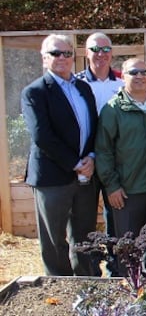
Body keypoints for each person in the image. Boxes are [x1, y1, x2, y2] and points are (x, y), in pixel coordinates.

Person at [21, 34, 98, 276]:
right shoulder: (35, 92)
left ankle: (87, 284)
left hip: (85, 175)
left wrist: (91, 157)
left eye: (67, 53)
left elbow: (93, 126)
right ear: (44, 58)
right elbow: (42, 136)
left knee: (85, 237)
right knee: (54, 239)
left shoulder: (83, 87)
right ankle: (60, 285)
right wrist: (75, 163)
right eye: (55, 53)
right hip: (52, 176)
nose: (62, 58)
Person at [95, 58, 146, 273]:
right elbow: (103, 150)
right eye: (133, 72)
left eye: (144, 72)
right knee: (127, 248)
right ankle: (128, 288)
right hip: (127, 192)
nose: (139, 76)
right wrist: (112, 186)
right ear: (123, 76)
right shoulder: (112, 109)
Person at [76, 32, 124, 276]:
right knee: (85, 219)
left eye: (106, 49)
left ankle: (117, 268)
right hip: (85, 162)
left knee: (115, 216)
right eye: (95, 49)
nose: (101, 54)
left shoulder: (123, 82)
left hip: (115, 162)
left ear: (112, 53)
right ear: (86, 53)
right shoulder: (76, 83)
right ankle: (91, 271)